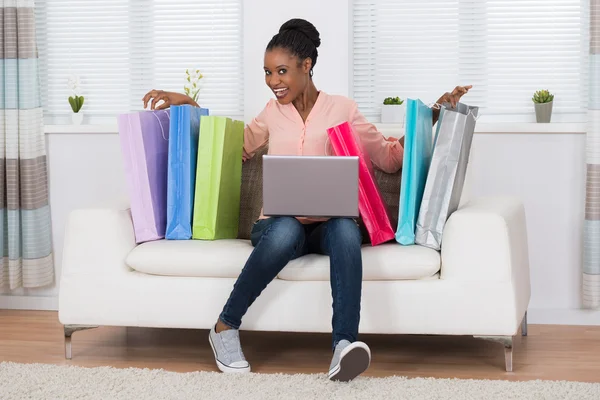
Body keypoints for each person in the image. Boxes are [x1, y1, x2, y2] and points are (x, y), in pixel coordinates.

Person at [143, 18, 471, 382]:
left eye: (281, 71)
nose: (273, 82)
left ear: (306, 66)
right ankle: (224, 328)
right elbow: (230, 147)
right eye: (267, 72)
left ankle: (343, 346)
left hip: (327, 228)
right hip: (278, 228)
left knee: (346, 229)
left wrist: (433, 115)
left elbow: (390, 158)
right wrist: (189, 105)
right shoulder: (270, 114)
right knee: (284, 229)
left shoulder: (343, 109)